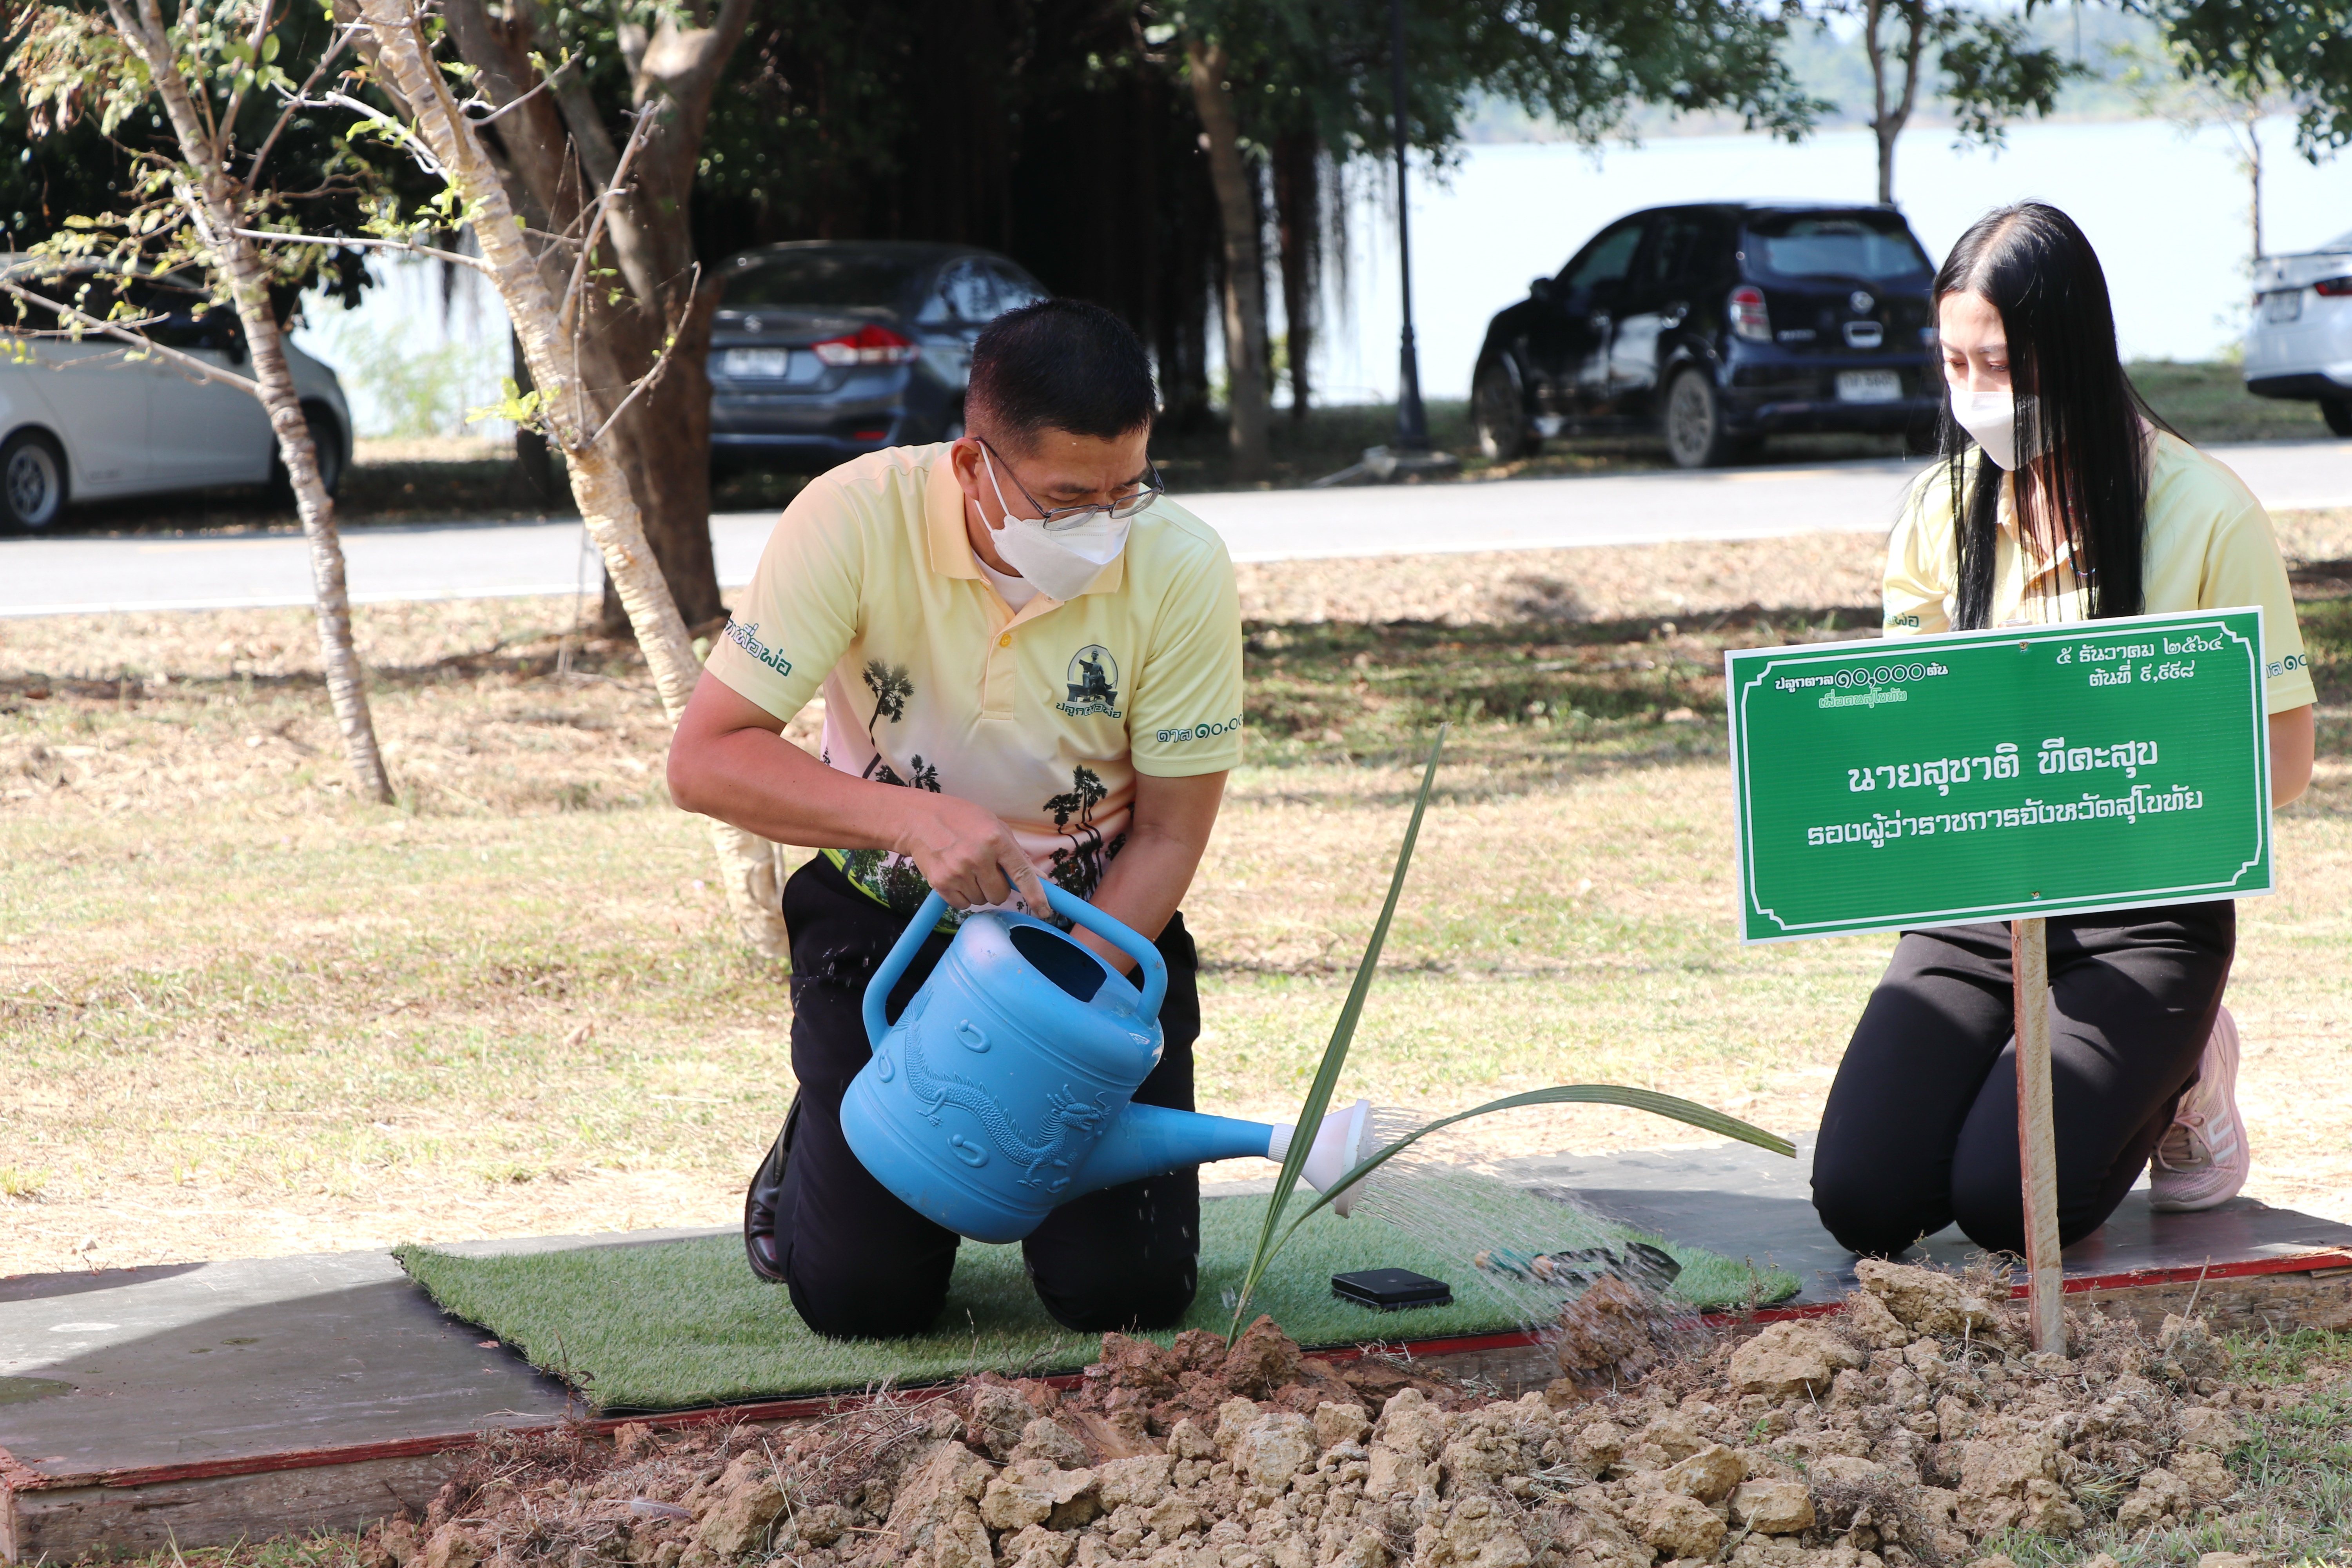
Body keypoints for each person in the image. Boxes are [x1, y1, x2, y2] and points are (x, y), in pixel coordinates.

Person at [666, 299, 1243, 1339]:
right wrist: (911, 823)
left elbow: (1168, 834)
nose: (1104, 529)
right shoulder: (852, 517)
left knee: (1126, 1299)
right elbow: (705, 759)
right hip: (888, 933)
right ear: (976, 465)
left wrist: (1056, 1018)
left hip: (1093, 937)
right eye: (1069, 500)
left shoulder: (1181, 564)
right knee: (863, 1303)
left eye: (1128, 490)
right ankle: (823, 1127)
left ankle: (940, 1121)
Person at [1809, 202, 2316, 1259]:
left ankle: (2187, 1070)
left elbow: (2286, 761)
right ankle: (2046, 1066)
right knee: (1865, 1198)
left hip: (2145, 918)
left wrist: (2118, 782)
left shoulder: (2206, 510)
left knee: (2008, 1206)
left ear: (2074, 352)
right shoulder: (1938, 510)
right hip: (1978, 905)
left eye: (1997, 364)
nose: (1974, 394)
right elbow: (1904, 726)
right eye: (1954, 364)